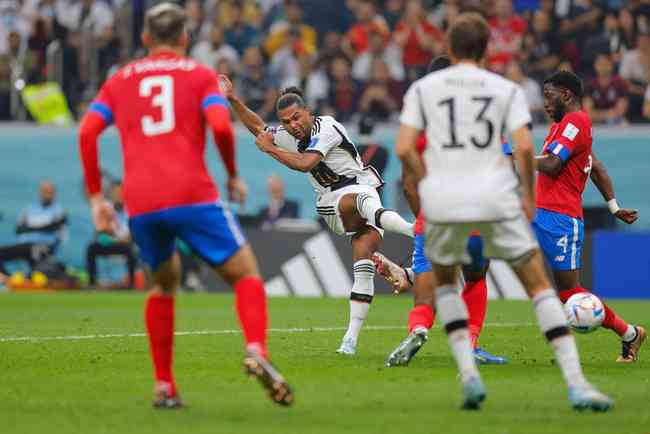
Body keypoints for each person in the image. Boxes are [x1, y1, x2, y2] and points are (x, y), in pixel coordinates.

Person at [78, 3, 293, 409]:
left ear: (144, 38)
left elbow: (88, 131)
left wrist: (96, 198)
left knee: (163, 284)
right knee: (246, 274)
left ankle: (164, 386)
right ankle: (256, 350)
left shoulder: (121, 79)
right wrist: (231, 174)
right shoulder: (199, 75)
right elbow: (218, 125)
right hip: (191, 193)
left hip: (141, 201)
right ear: (184, 38)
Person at [396, 13, 612, 411]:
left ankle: (470, 377)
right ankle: (577, 384)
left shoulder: (423, 92)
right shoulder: (505, 90)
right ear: (484, 50)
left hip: (446, 202)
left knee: (445, 287)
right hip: (494, 198)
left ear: (451, 48)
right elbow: (526, 149)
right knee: (539, 287)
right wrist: (528, 197)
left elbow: (405, 148)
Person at [221, 76, 414, 356]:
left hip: (364, 191)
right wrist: (232, 99)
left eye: (296, 117)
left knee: (362, 267)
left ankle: (350, 340)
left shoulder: (329, 126)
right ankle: (414, 230)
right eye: (286, 122)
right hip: (332, 205)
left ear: (308, 112)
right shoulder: (288, 135)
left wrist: (271, 149)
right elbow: (257, 127)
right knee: (355, 201)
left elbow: (305, 163)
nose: (292, 125)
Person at [374, 56, 506, 367]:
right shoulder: (483, 116)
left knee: (425, 296)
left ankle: (418, 329)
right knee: (475, 279)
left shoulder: (416, 126)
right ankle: (471, 343)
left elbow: (408, 185)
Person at [536, 70, 644, 363]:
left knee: (569, 292)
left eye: (549, 97)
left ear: (566, 95)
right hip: (538, 214)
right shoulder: (562, 127)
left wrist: (517, 156)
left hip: (561, 220)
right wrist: (613, 206)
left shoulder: (576, 121)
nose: (545, 104)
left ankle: (629, 333)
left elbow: (553, 163)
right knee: (483, 247)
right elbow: (595, 167)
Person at [0, 181, 67, 276]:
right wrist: (40, 227)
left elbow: (52, 227)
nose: (47, 194)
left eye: (50, 192)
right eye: (44, 191)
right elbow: (18, 229)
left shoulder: (59, 210)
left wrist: (30, 227)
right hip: (24, 246)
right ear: (40, 192)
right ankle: (8, 279)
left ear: (54, 194)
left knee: (39, 265)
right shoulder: (29, 209)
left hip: (44, 247)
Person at [85, 182, 138, 288]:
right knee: (91, 248)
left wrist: (126, 238)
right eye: (115, 193)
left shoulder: (132, 209)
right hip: (110, 242)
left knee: (131, 250)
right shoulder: (105, 208)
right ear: (111, 194)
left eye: (121, 193)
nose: (118, 195)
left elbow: (134, 232)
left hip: (125, 244)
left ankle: (131, 284)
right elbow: (101, 231)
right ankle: (92, 283)